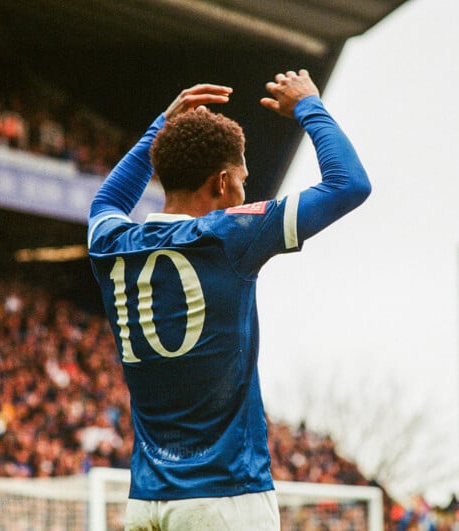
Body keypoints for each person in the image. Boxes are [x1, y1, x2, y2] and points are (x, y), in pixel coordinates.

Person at [87, 69, 371, 530]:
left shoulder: (110, 243)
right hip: (224, 501)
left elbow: (106, 202)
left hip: (146, 502)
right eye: (242, 178)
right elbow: (349, 184)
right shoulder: (230, 236)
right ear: (221, 182)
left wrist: (160, 126)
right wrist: (309, 105)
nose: (244, 189)